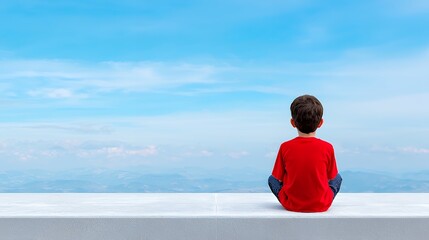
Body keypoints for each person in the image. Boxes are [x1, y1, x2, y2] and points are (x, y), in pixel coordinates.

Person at [268, 94, 342, 212]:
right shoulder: (328, 147)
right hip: (321, 204)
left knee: (271, 179)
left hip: (292, 204)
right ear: (320, 123)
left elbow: (276, 179)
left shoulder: (285, 147)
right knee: (338, 178)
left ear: (292, 123)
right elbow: (332, 177)